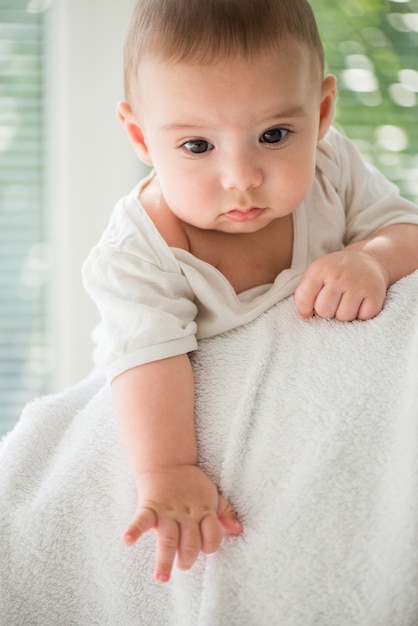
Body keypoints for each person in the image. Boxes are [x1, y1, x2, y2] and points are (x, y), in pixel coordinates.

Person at [83, 0, 418, 584]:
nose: (241, 175)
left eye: (274, 134)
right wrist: (167, 469)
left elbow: (405, 229)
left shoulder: (330, 167)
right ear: (140, 136)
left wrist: (370, 257)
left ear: (322, 112)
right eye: (197, 146)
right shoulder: (137, 252)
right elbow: (146, 359)